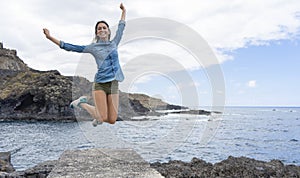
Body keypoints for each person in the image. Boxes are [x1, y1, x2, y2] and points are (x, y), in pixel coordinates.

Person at [43, 3, 126, 126]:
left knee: (112, 120)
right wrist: (50, 37)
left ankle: (96, 117)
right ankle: (81, 103)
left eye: (104, 28)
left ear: (108, 31)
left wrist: (124, 11)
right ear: (97, 33)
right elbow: (71, 47)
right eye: (99, 28)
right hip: (100, 84)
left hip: (114, 83)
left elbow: (121, 26)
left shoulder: (114, 42)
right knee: (102, 117)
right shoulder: (93, 47)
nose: (102, 30)